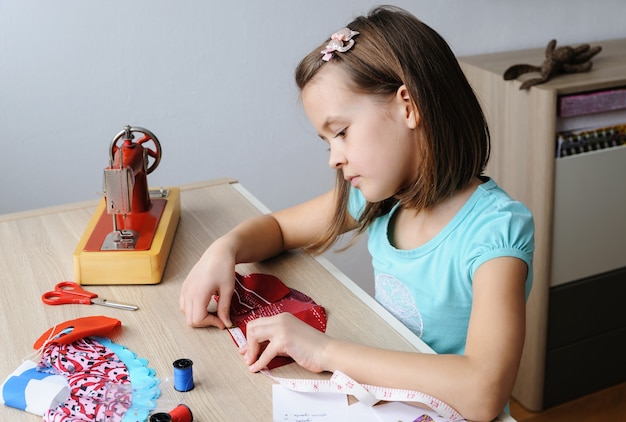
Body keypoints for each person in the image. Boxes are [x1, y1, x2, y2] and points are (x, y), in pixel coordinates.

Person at [180, 6, 534, 421]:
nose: (333, 159)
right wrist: (224, 249)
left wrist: (324, 349)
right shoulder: (381, 201)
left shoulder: (495, 232)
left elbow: (483, 392)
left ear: (409, 106)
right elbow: (277, 228)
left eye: (342, 132)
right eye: (327, 142)